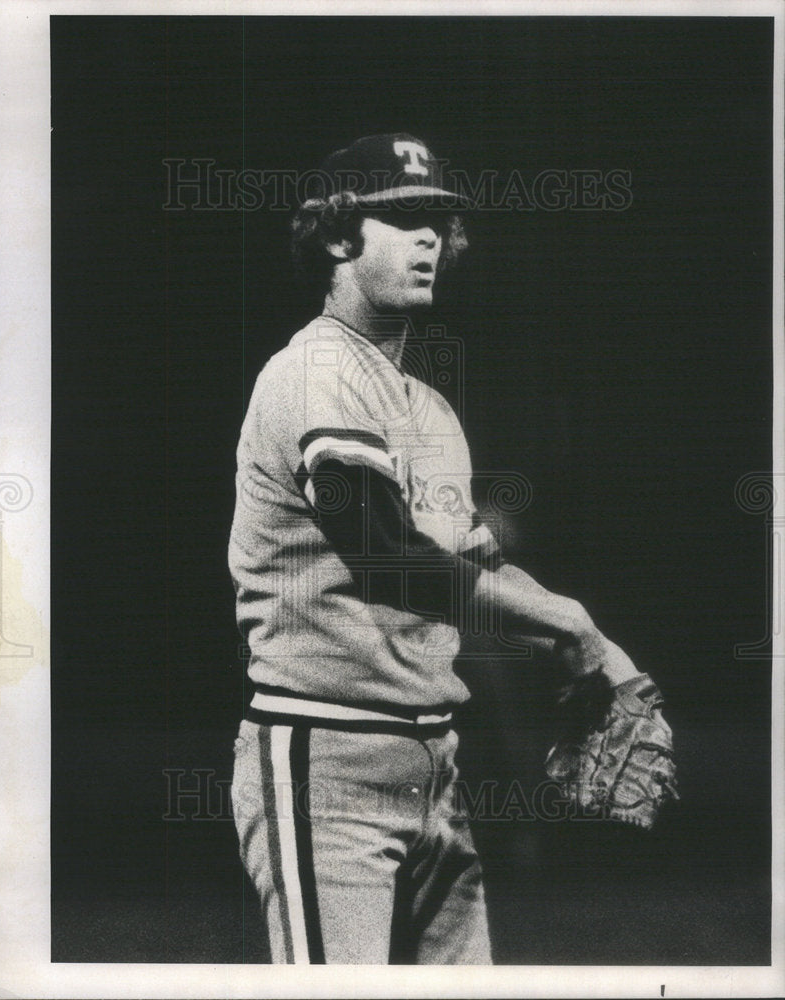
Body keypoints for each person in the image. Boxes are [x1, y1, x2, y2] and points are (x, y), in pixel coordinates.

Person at [228, 133, 640, 964]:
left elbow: (474, 570)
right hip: (324, 756)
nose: (431, 238)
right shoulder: (310, 374)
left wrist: (607, 661)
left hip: (434, 766)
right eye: (406, 217)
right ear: (340, 236)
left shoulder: (426, 408)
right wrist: (572, 624)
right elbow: (389, 559)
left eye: (440, 221)